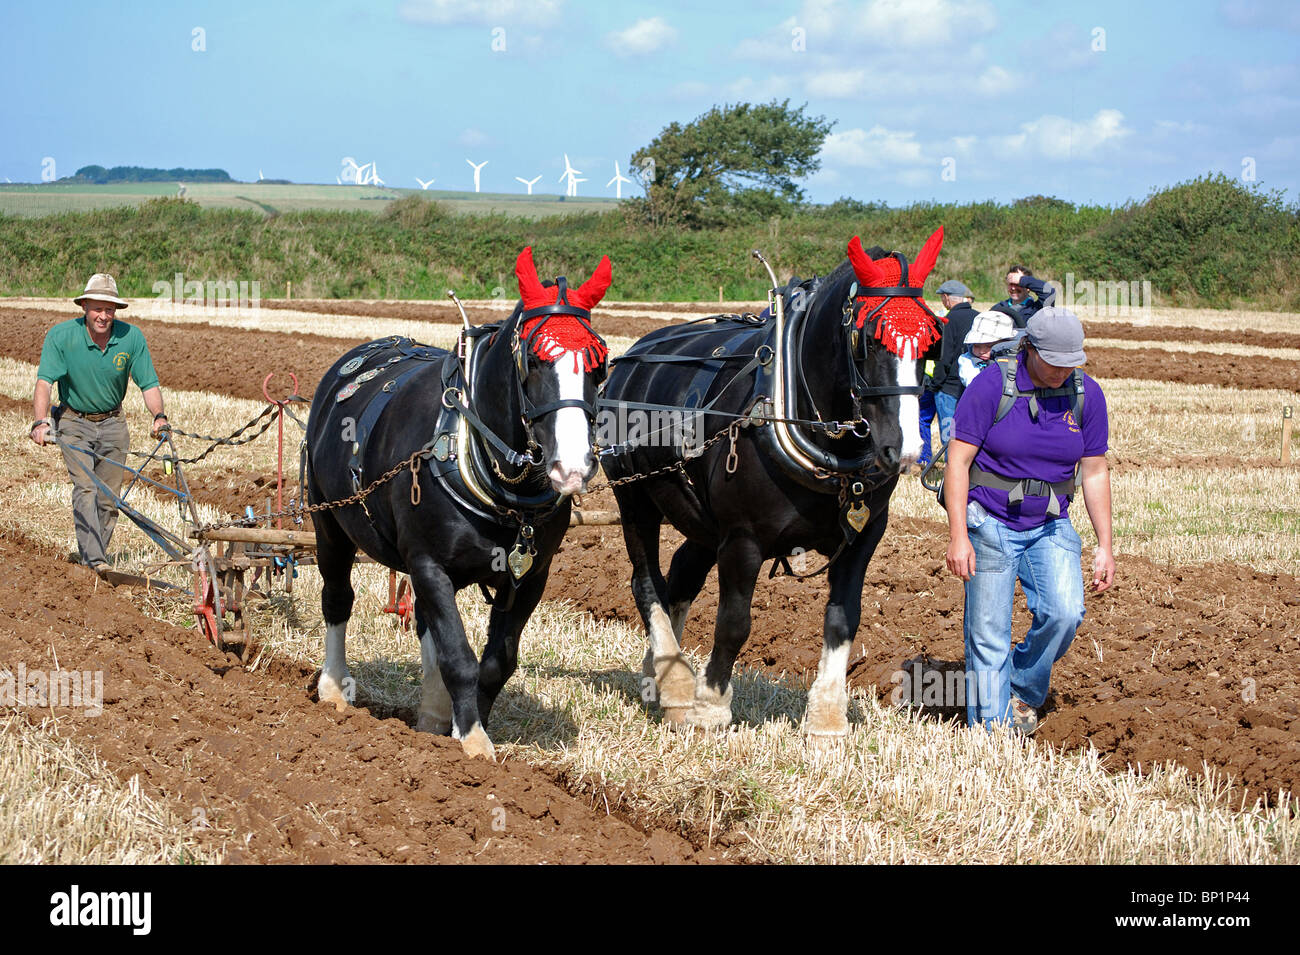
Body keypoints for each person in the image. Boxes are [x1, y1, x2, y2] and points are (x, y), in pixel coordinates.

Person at [943, 307, 1114, 734]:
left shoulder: (1085, 394)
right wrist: (958, 535)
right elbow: (958, 462)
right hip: (991, 521)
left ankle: (1021, 686)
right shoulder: (991, 387)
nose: (1062, 371)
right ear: (1029, 349)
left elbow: (1094, 471)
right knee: (989, 634)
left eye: (1070, 363)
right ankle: (993, 732)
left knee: (1065, 613)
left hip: (1052, 523)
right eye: (1053, 361)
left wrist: (1105, 545)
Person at [30, 274, 170, 574]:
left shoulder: (131, 337)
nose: (103, 316)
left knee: (109, 499)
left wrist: (159, 416)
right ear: (84, 307)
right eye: (97, 308)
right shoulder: (61, 337)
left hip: (113, 422)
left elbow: (149, 384)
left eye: (109, 309)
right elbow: (44, 383)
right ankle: (95, 561)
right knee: (86, 489)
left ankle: (94, 560)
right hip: (73, 421)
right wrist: (41, 421)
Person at [929, 278, 979, 446]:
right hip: (973, 386)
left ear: (947, 298)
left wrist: (936, 383)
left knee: (949, 437)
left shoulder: (949, 320)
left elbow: (944, 357)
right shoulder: (978, 317)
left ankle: (950, 469)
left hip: (949, 388)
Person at [956, 310, 1019, 388]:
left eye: (989, 346)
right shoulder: (967, 360)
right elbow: (973, 384)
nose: (981, 351)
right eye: (976, 346)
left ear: (1005, 343)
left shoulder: (1015, 358)